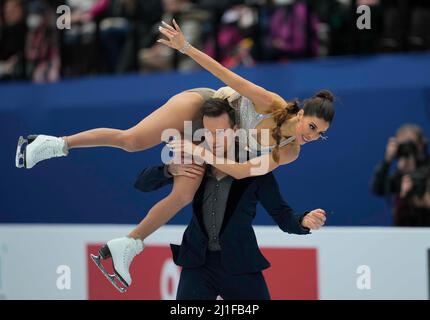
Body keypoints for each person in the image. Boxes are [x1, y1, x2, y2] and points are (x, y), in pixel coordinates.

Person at [16, 20, 334, 290]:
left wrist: (197, 151)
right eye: (312, 125)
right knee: (132, 140)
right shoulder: (271, 103)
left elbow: (242, 171)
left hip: (212, 139)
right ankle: (51, 144)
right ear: (303, 111)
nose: (312, 135)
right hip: (204, 105)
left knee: (184, 193)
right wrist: (185, 47)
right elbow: (227, 76)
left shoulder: (289, 151)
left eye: (320, 134)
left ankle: (127, 245)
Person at [133, 98, 326, 299]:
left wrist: (302, 221)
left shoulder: (256, 168)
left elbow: (282, 215)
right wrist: (169, 170)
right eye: (209, 132)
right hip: (198, 265)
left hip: (240, 265)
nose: (214, 139)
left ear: (235, 130)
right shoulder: (196, 162)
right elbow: (141, 184)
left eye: (221, 132)